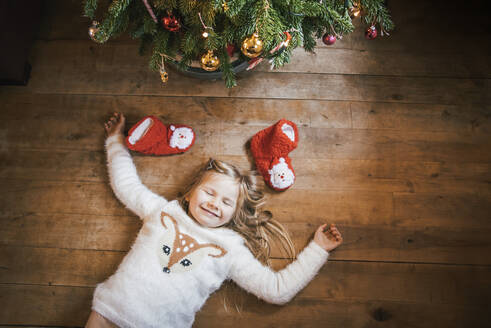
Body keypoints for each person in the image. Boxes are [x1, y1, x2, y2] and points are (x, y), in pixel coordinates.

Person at [86, 112, 343, 328]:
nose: (214, 203)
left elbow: (276, 290)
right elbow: (126, 184)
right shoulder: (162, 211)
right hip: (109, 312)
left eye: (226, 202)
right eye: (209, 192)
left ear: (234, 214)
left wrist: (318, 249)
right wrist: (115, 141)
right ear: (189, 194)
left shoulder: (230, 250)